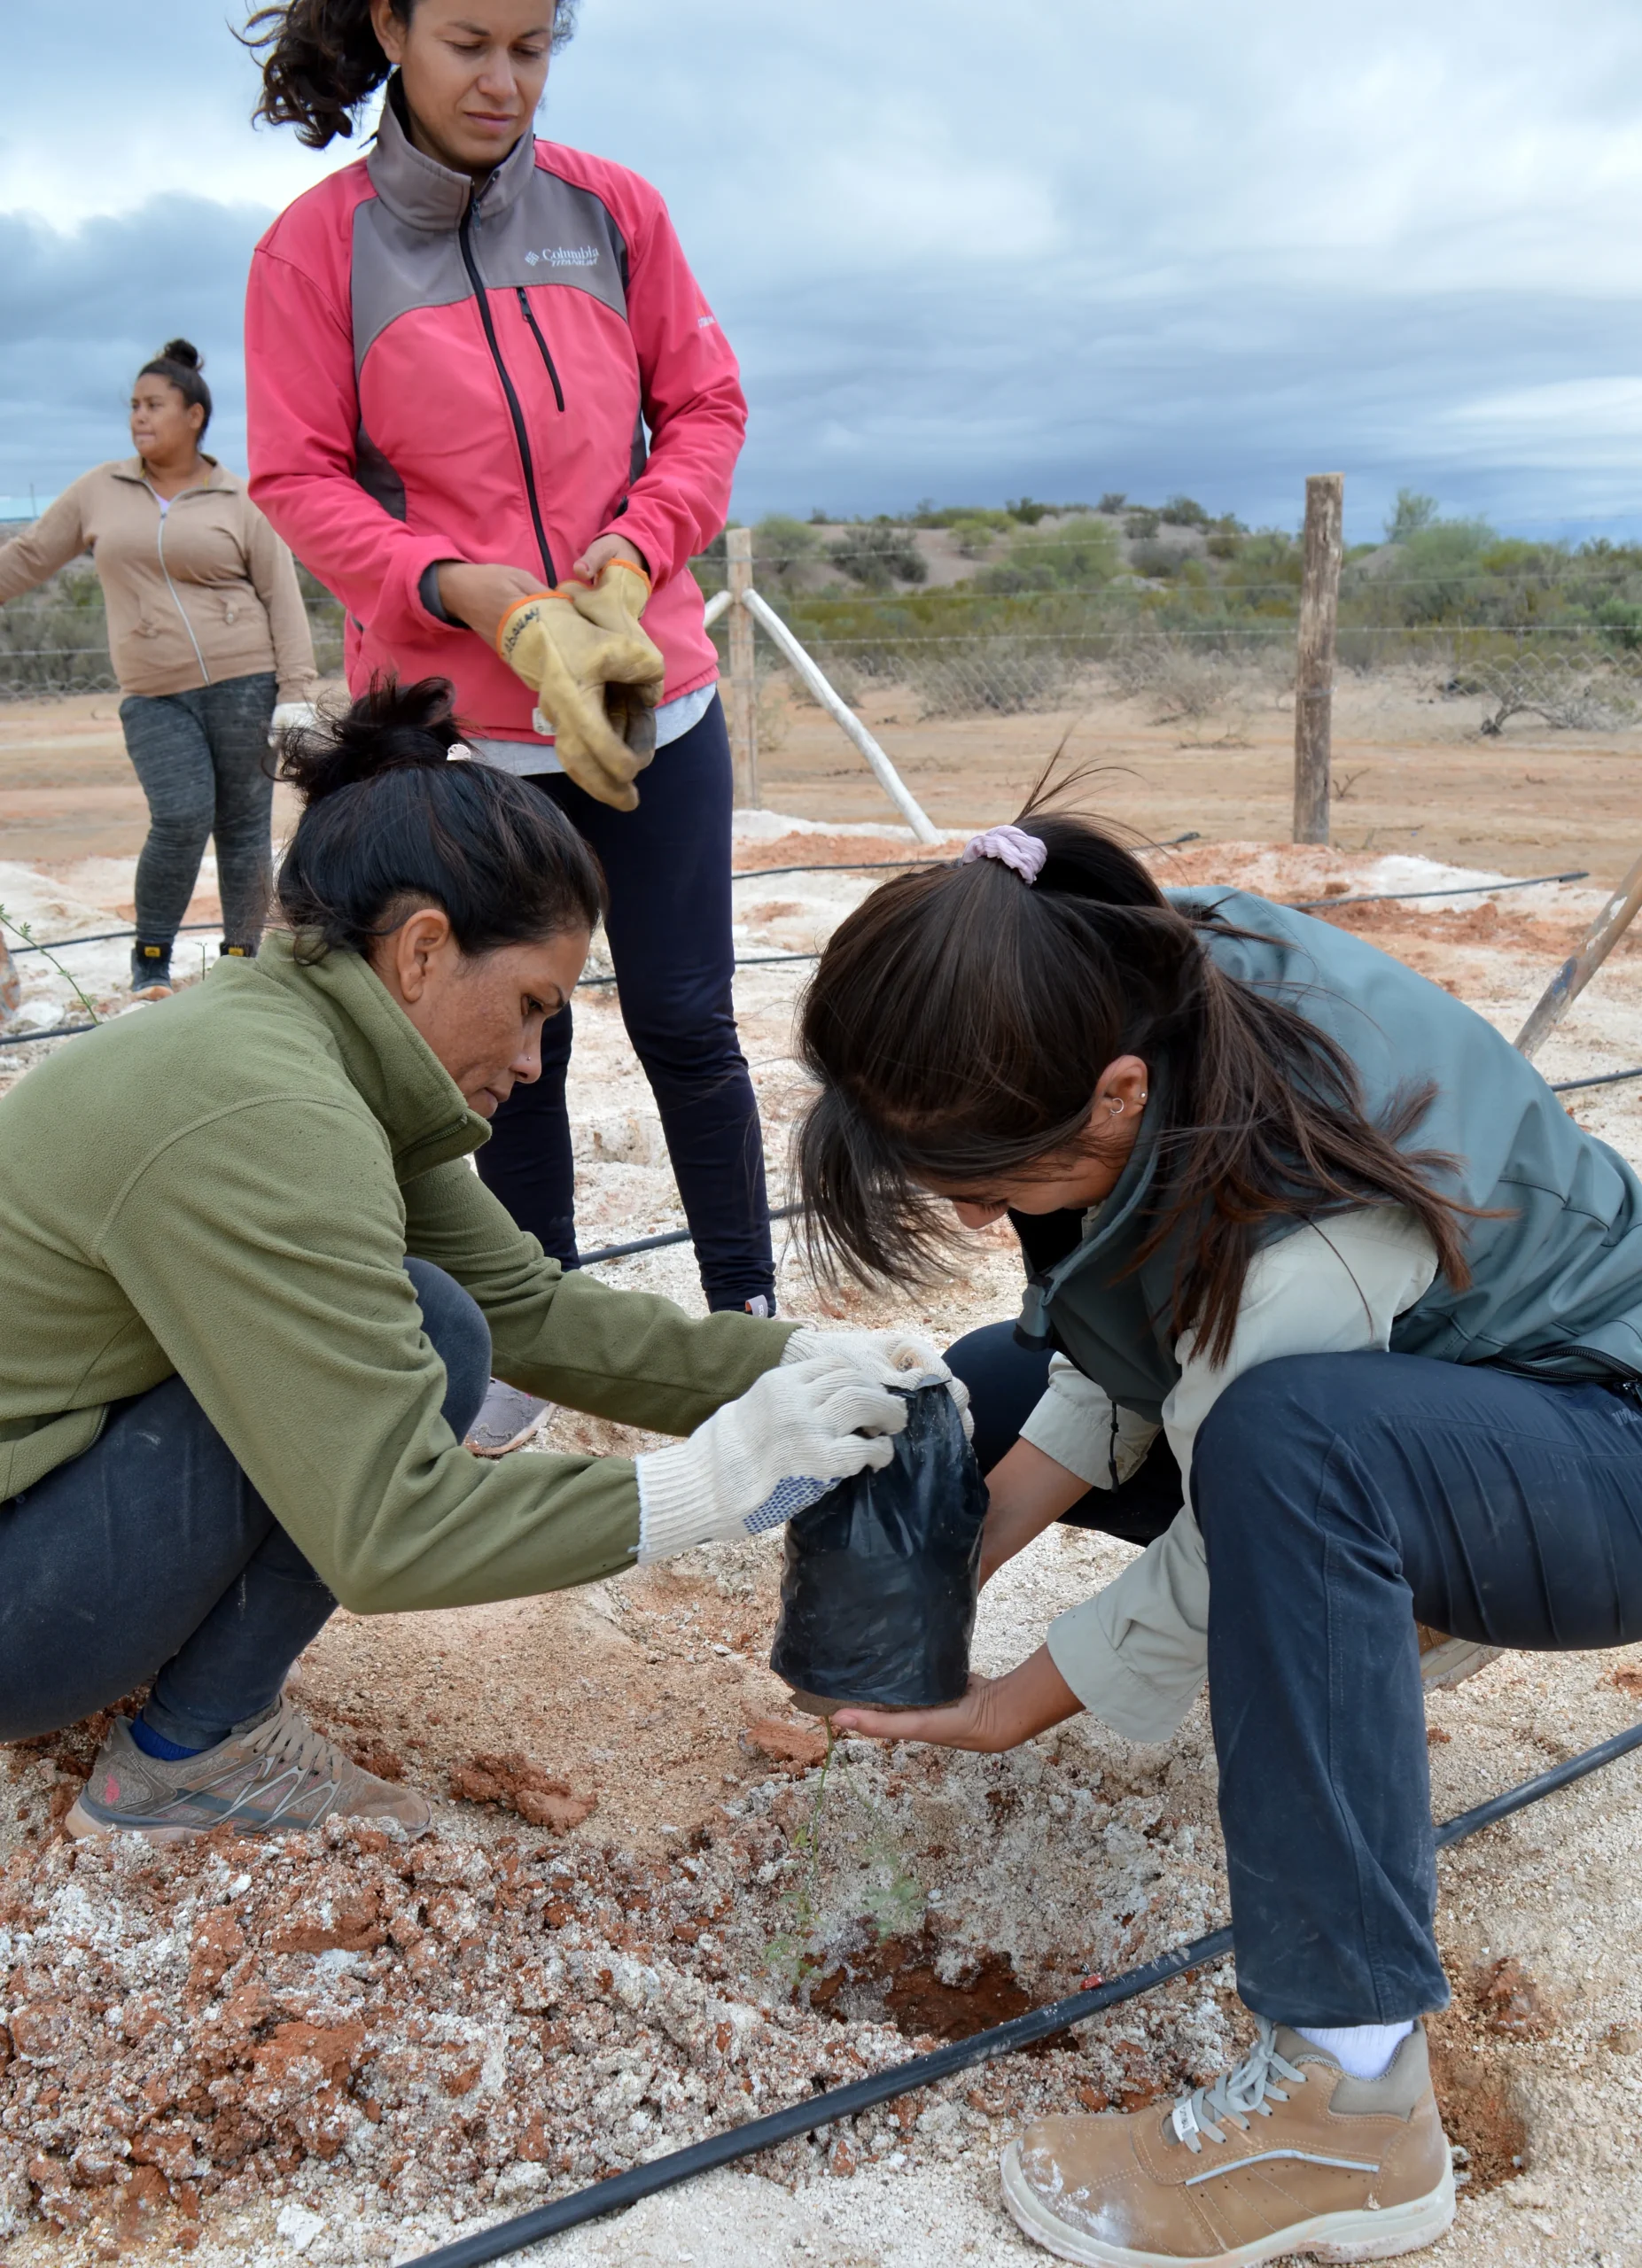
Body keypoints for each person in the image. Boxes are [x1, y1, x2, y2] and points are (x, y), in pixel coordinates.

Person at [791, 802, 1642, 2268]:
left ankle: (1348, 2104)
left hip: (1602, 1448)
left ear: (1116, 1097)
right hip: (1437, 1403)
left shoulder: (1303, 1193)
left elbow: (1236, 1471)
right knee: (996, 1379)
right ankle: (1384, 1599)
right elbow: (1132, 1335)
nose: (980, 1219)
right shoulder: (1098, 974)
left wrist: (1009, 1703)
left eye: (990, 1188)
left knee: (1288, 1453)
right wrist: (951, 1571)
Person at [0, 678, 960, 1843]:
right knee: (410, 1341)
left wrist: (805, 1358)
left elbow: (529, 1313)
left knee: (444, 1322)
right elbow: (390, 1531)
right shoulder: (269, 1116)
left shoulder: (293, 1044)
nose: (534, 1058)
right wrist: (716, 1481)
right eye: (530, 1005)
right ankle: (190, 1758)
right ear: (421, 950)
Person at [240, 0, 774, 1460]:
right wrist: (470, 593)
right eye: (469, 42)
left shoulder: (616, 211)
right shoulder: (312, 249)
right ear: (392, 26)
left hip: (647, 698)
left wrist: (627, 561)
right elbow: (297, 480)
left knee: (686, 1020)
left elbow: (706, 407)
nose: (503, 80)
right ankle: (530, 1339)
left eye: (532, 47)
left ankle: (744, 1325)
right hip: (459, 728)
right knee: (503, 1044)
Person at [0, 341, 317, 998]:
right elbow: (28, 556)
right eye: (134, 407)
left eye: (153, 405)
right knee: (179, 816)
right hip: (154, 694)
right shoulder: (101, 489)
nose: (139, 418)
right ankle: (151, 963)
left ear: (194, 415)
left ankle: (240, 965)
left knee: (243, 830)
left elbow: (282, 596)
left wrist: (296, 691)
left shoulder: (238, 497)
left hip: (246, 683)